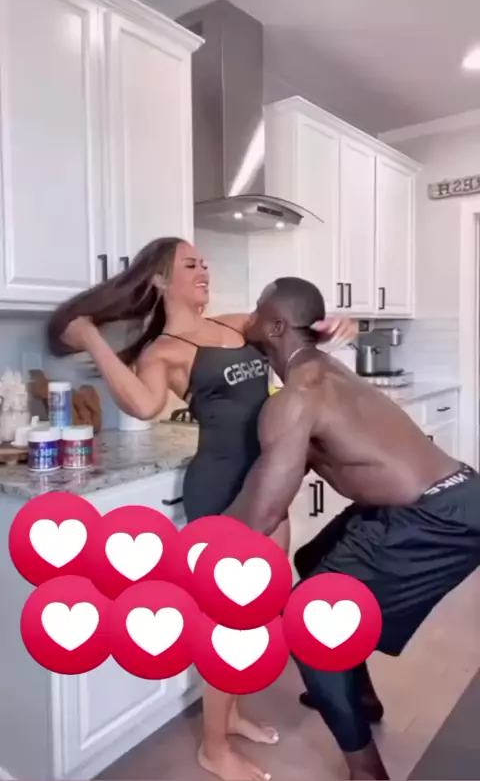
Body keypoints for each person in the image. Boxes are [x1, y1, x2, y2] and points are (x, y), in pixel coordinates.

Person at [46, 238, 357, 781]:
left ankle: (228, 714)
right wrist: (90, 335)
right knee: (230, 622)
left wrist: (333, 325)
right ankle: (214, 748)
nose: (203, 271)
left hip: (268, 482)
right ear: (160, 280)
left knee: (255, 611)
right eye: (190, 264)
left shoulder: (236, 325)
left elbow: (294, 331)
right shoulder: (162, 352)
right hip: (220, 488)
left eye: (205, 263)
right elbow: (143, 404)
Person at [227, 276, 480, 781]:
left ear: (275, 328)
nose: (247, 318)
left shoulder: (296, 398)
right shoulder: (325, 369)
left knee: (310, 625)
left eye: (257, 311)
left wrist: (197, 544)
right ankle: (360, 694)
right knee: (313, 560)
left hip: (433, 518)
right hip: (457, 492)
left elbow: (265, 514)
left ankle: (367, 772)